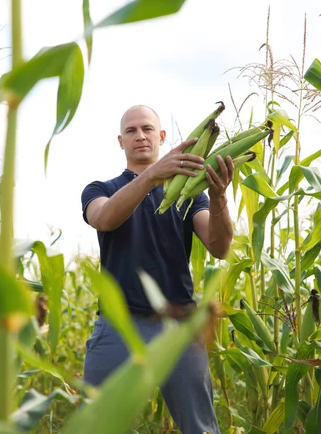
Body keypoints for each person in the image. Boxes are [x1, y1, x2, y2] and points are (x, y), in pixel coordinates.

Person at [81, 105, 234, 434]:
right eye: (131, 131)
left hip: (179, 329)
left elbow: (219, 247)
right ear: (120, 141)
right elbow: (105, 218)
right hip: (117, 324)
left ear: (162, 136)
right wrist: (152, 176)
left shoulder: (189, 195)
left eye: (147, 129)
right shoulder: (100, 189)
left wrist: (219, 198)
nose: (140, 136)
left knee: (200, 428)